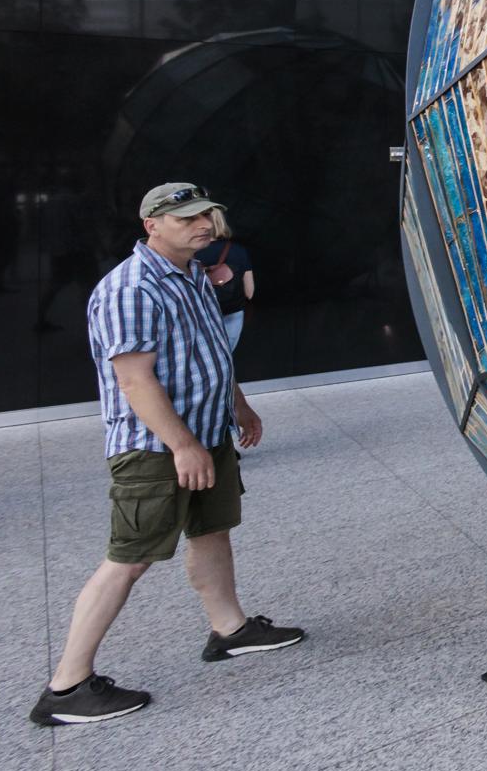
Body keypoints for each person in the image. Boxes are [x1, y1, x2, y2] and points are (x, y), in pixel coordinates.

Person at [30, 183, 304, 728]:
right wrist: (182, 446)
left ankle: (230, 630)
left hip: (206, 435)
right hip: (155, 449)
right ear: (151, 225)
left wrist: (239, 407)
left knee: (211, 531)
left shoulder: (193, 276)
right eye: (185, 218)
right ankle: (66, 687)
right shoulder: (132, 289)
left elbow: (210, 354)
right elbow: (133, 379)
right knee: (129, 559)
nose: (202, 225)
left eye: (206, 215)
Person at [195, 208, 254, 349]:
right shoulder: (238, 251)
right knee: (225, 356)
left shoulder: (187, 253)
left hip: (199, 315)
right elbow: (249, 292)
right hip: (233, 313)